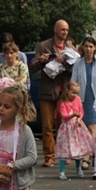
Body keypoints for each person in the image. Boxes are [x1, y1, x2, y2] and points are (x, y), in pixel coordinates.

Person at [31, 20, 73, 168]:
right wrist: (42, 61)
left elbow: (74, 68)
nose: (65, 32)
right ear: (55, 30)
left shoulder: (70, 47)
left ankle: (64, 154)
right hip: (48, 90)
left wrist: (64, 62)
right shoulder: (44, 46)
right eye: (62, 29)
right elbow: (33, 67)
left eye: (67, 30)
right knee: (47, 125)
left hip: (64, 91)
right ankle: (49, 156)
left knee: (63, 125)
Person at [71, 36, 96, 142]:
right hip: (82, 98)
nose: (88, 49)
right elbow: (73, 81)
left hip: (95, 98)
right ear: (82, 47)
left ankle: (89, 154)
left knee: (93, 127)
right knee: (84, 127)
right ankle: (90, 152)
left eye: (91, 46)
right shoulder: (78, 63)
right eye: (86, 46)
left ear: (95, 47)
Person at [55, 81, 94, 179]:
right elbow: (64, 116)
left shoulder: (77, 99)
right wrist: (73, 115)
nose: (75, 95)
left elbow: (81, 111)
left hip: (76, 127)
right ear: (67, 91)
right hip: (67, 128)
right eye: (73, 92)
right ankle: (62, 172)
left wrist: (79, 119)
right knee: (65, 150)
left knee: (78, 149)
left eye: (77, 93)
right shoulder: (63, 103)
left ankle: (78, 168)